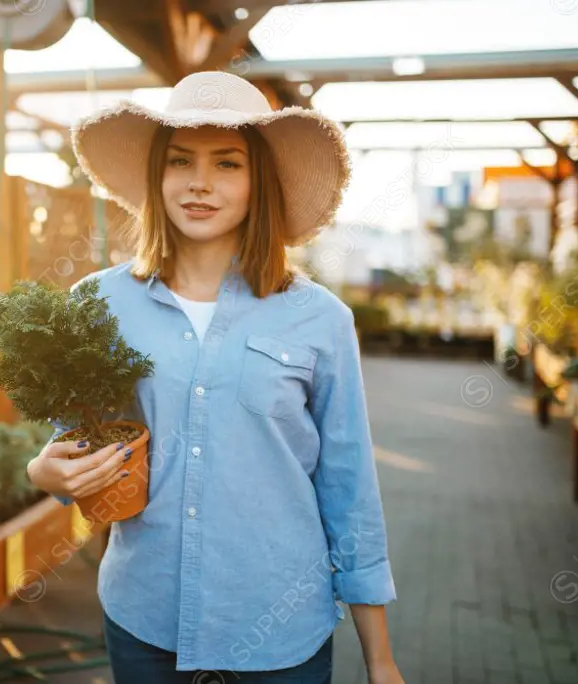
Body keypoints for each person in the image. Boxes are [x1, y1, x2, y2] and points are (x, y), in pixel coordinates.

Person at [26, 71, 403, 684]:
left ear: (261, 184)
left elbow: (349, 486)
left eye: (227, 164)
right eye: (180, 162)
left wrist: (380, 660)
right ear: (159, 176)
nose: (200, 182)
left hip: (279, 634)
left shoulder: (321, 319)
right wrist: (44, 472)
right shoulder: (97, 304)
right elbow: (75, 441)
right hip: (145, 620)